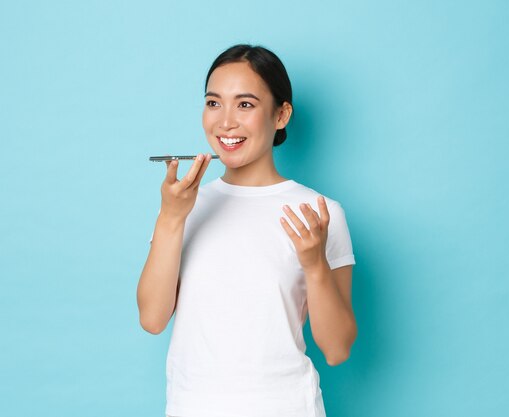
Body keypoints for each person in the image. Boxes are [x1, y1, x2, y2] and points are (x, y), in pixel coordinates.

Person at [137, 44, 357, 417]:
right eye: (213, 103)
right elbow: (153, 319)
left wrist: (315, 264)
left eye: (245, 104)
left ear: (281, 115)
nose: (225, 122)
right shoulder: (184, 205)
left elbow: (336, 350)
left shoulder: (320, 213)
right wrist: (171, 219)